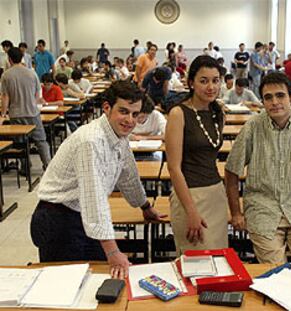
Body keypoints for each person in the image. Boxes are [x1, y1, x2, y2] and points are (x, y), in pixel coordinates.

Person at [30, 81, 166, 278]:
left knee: (99, 276)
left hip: (79, 217)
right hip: (58, 219)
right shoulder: (91, 141)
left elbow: (128, 175)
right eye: (123, 111)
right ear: (107, 108)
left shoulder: (118, 135)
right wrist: (112, 251)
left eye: (135, 114)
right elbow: (94, 199)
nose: (129, 120)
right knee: (68, 284)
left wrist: (145, 206)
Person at [225, 72, 291, 264]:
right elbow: (232, 171)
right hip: (263, 211)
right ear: (262, 102)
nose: (274, 102)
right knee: (275, 271)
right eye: (268, 97)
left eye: (280, 95)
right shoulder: (252, 127)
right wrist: (236, 213)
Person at [165, 55, 229, 255]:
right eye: (204, 81)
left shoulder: (219, 113)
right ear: (191, 83)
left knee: (218, 259)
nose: (211, 86)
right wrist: (191, 211)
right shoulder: (178, 114)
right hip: (190, 196)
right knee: (196, 263)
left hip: (216, 193)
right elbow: (173, 168)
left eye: (215, 80)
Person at [0, 47, 51, 170]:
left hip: (16, 114)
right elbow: (37, 95)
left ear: (9, 59)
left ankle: (25, 167)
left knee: (20, 143)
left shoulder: (6, 75)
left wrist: (2, 114)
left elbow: (5, 97)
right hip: (32, 112)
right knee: (41, 141)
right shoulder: (32, 73)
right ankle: (48, 166)